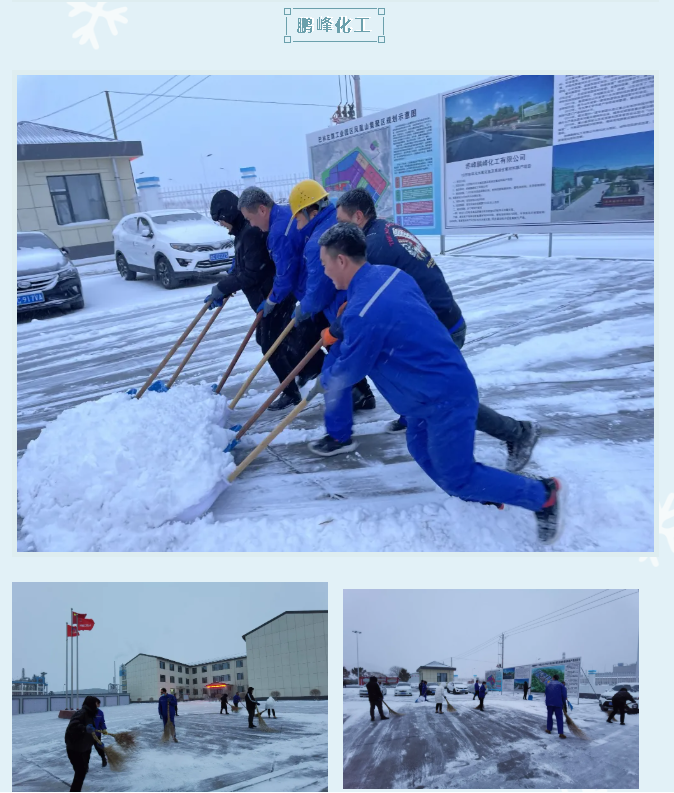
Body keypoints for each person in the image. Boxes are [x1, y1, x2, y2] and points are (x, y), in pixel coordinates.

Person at [305, 223, 562, 543]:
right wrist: (341, 326)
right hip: (425, 394)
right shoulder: (389, 275)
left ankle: (543, 495)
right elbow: (366, 316)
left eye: (326, 265)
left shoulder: (364, 310)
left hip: (443, 396)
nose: (326, 273)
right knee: (419, 445)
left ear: (341, 260)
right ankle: (478, 490)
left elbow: (349, 370)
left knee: (457, 474)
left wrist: (324, 380)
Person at [335, 187, 539, 472]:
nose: (339, 229)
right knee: (423, 388)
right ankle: (414, 417)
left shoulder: (373, 247)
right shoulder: (385, 229)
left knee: (449, 400)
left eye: (342, 222)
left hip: (439, 327)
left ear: (358, 217)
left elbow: (368, 302)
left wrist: (340, 326)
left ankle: (519, 433)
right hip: (441, 317)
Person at [286, 179, 376, 457]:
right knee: (384, 364)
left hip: (344, 312)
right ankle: (402, 411)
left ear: (309, 211)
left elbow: (321, 288)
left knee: (334, 372)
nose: (297, 223)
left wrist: (305, 308)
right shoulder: (337, 225)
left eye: (298, 216)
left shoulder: (318, 243)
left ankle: (338, 437)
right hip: (356, 309)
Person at [207, 189, 306, 412]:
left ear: (229, 214)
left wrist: (224, 286)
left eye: (221, 220)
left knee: (270, 343)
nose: (221, 225)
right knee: (284, 339)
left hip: (273, 297)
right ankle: (304, 371)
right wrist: (226, 285)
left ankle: (293, 388)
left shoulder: (250, 232)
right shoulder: (243, 231)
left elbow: (252, 272)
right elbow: (243, 265)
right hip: (267, 297)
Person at [238, 186, 325, 388]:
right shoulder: (286, 212)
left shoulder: (278, 232)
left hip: (310, 289)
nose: (252, 225)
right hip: (312, 286)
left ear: (262, 210)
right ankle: (350, 387)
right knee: (313, 336)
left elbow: (285, 274)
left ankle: (355, 391)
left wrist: (271, 300)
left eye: (250, 219)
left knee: (320, 337)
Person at [64, 695, 99, 792]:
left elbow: (93, 730)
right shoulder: (81, 713)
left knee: (83, 771)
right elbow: (72, 726)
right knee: (80, 772)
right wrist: (84, 728)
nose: (97, 706)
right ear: (91, 704)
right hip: (75, 748)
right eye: (96, 704)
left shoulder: (92, 714)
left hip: (86, 747)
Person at [92, 698, 107, 768]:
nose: (99, 705)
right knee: (86, 750)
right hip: (86, 735)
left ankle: (103, 758)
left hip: (97, 734)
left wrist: (104, 729)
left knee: (99, 747)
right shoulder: (86, 712)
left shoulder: (100, 712)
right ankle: (85, 765)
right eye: (98, 703)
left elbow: (102, 722)